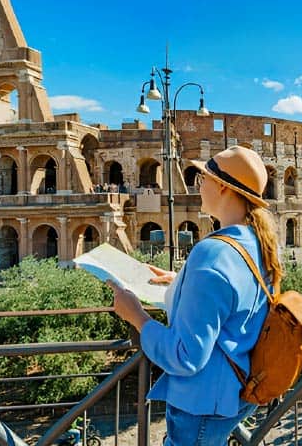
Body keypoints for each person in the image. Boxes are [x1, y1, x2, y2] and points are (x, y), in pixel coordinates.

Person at [109, 146, 281, 445]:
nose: (197, 185)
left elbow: (186, 357)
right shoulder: (257, 243)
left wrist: (136, 316)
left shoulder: (211, 253)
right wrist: (182, 282)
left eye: (202, 178)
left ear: (224, 188)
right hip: (237, 390)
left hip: (203, 403)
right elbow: (233, 297)